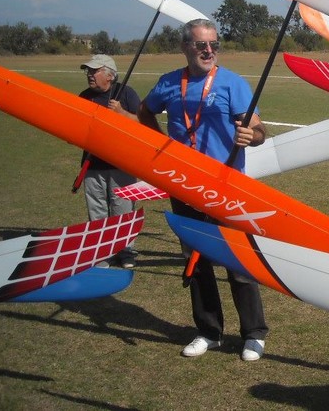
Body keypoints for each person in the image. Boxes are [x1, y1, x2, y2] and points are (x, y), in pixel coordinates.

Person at [137, 18, 269, 361]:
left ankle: (254, 333)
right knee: (195, 261)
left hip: (227, 186)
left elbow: (258, 131)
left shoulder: (232, 83)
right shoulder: (169, 83)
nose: (209, 51)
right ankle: (209, 331)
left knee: (238, 262)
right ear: (185, 47)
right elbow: (144, 110)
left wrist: (251, 136)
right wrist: (160, 144)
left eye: (214, 44)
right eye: (201, 45)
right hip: (182, 184)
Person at [78, 54, 140, 269]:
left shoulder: (126, 93)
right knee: (97, 212)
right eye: (88, 71)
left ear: (110, 75)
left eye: (94, 71)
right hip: (93, 164)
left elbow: (143, 123)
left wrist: (121, 112)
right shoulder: (84, 96)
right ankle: (102, 252)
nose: (89, 75)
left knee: (123, 210)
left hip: (122, 164)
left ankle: (126, 251)